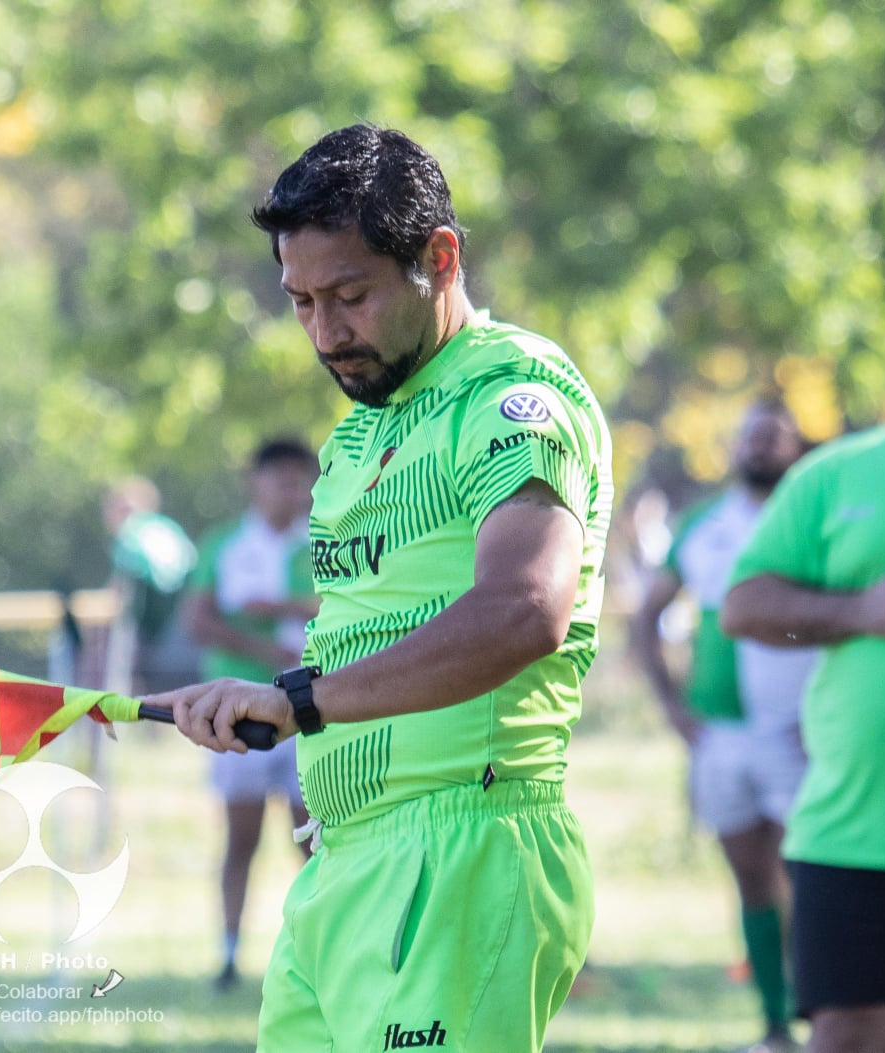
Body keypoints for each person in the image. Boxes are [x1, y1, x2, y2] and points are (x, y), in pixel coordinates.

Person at [147, 124, 613, 1051]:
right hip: (346, 861)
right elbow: (364, 628)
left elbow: (525, 610)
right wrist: (340, 780)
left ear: (439, 259)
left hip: (465, 854)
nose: (326, 332)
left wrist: (299, 703)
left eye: (350, 295)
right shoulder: (356, 438)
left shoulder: (510, 395)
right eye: (301, 302)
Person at [631, 398, 815, 1053]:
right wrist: (673, 706)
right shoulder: (703, 524)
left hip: (802, 735)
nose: (759, 446)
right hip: (721, 735)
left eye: (773, 436)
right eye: (750, 436)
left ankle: (827, 1017)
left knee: (813, 875)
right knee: (752, 876)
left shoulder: (810, 519)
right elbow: (645, 619)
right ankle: (774, 1022)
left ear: (796, 448)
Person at [721, 422, 885, 1053]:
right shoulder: (837, 473)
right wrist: (859, 613)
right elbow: (744, 607)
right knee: (848, 1035)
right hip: (855, 829)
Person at [181, 438, 318, 991]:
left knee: (312, 840)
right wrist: (265, 650)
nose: (292, 491)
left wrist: (278, 610)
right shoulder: (227, 544)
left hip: (315, 710)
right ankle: (229, 953)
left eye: (300, 479)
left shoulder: (329, 539)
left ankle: (317, 950)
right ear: (255, 482)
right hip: (237, 716)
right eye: (279, 479)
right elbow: (198, 619)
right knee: (241, 839)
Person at [101, 476, 197, 693]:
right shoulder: (170, 529)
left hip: (161, 633)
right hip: (191, 632)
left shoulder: (130, 534)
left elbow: (120, 592)